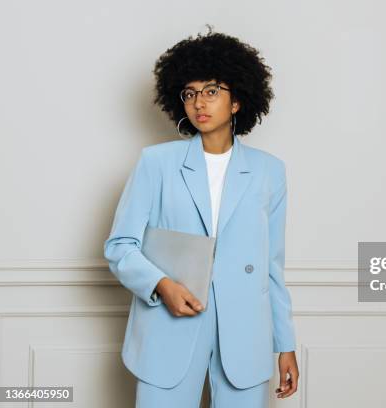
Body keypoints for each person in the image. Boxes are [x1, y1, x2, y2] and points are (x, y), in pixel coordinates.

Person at [103, 25, 299, 407]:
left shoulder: (269, 171)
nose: (199, 103)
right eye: (190, 93)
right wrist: (162, 285)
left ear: (238, 101)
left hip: (244, 336)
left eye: (212, 91)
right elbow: (120, 246)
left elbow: (271, 267)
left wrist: (285, 344)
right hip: (168, 328)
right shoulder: (156, 164)